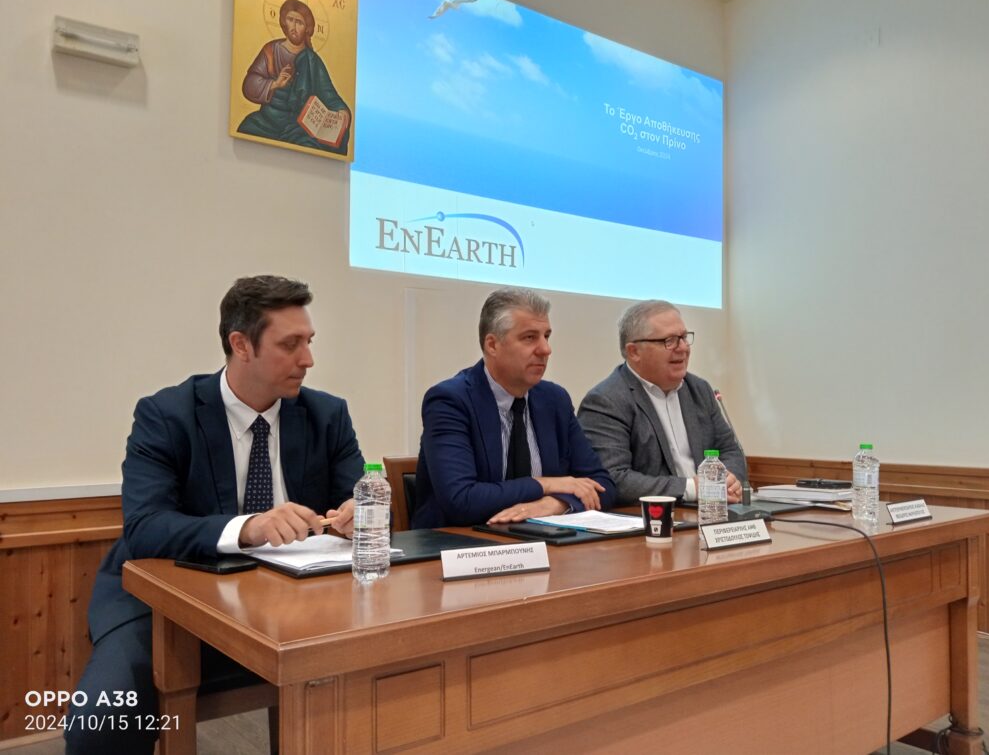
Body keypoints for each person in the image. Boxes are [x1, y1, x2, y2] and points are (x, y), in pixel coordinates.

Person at [66, 275, 364, 754]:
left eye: (309, 341)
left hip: (296, 604)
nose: (308, 359)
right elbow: (145, 528)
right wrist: (249, 527)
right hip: (166, 604)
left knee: (382, 680)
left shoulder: (327, 415)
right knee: (102, 721)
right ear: (241, 344)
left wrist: (359, 514)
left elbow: (360, 499)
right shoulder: (167, 415)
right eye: (290, 344)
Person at [412, 287, 616, 528]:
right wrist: (547, 484)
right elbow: (462, 500)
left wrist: (555, 504)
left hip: (543, 539)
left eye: (546, 336)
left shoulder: (554, 400)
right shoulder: (451, 401)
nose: (545, 349)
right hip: (460, 542)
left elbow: (603, 485)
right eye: (529, 337)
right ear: (492, 345)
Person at [577, 300, 747, 505]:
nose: (683, 348)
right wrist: (693, 488)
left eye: (684, 338)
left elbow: (730, 451)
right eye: (670, 340)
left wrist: (728, 482)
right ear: (634, 352)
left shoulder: (699, 390)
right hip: (653, 517)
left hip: (711, 510)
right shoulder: (607, 400)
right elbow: (614, 478)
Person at [237, 0, 352, 155]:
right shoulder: (271, 51)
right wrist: (274, 84)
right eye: (290, 20)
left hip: (298, 128)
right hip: (267, 121)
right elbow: (249, 83)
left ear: (307, 28)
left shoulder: (312, 61)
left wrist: (342, 112)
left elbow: (329, 94)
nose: (294, 27)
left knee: (310, 147)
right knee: (246, 128)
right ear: (284, 22)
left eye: (299, 22)